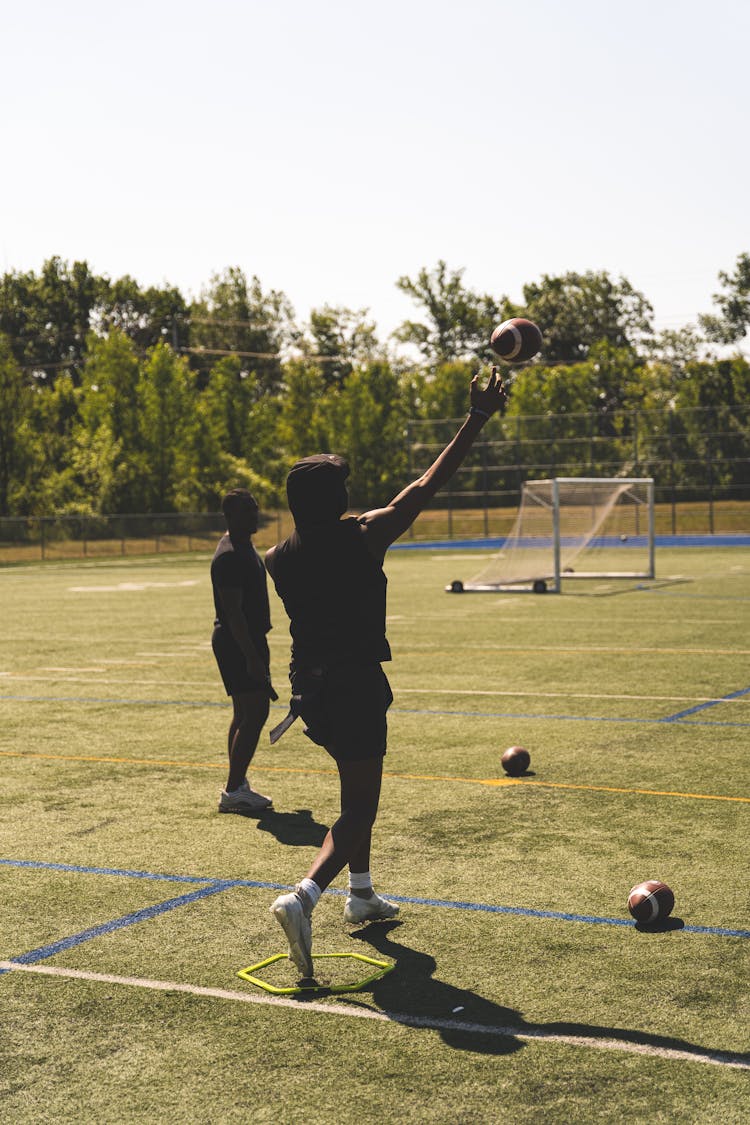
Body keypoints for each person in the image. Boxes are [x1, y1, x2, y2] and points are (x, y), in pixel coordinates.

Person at [266, 368, 507, 977]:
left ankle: (362, 893)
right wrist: (476, 417)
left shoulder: (279, 556)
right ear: (334, 500)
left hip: (309, 689)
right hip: (352, 685)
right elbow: (428, 482)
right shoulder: (364, 537)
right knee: (360, 810)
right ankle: (304, 895)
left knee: (353, 790)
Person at [210, 488, 278, 814]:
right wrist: (252, 656)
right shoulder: (229, 555)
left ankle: (237, 784)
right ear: (230, 516)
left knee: (243, 713)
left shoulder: (242, 547)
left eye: (255, 508)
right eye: (247, 510)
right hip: (239, 641)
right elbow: (233, 613)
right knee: (256, 713)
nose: (254, 515)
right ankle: (234, 788)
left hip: (244, 640)